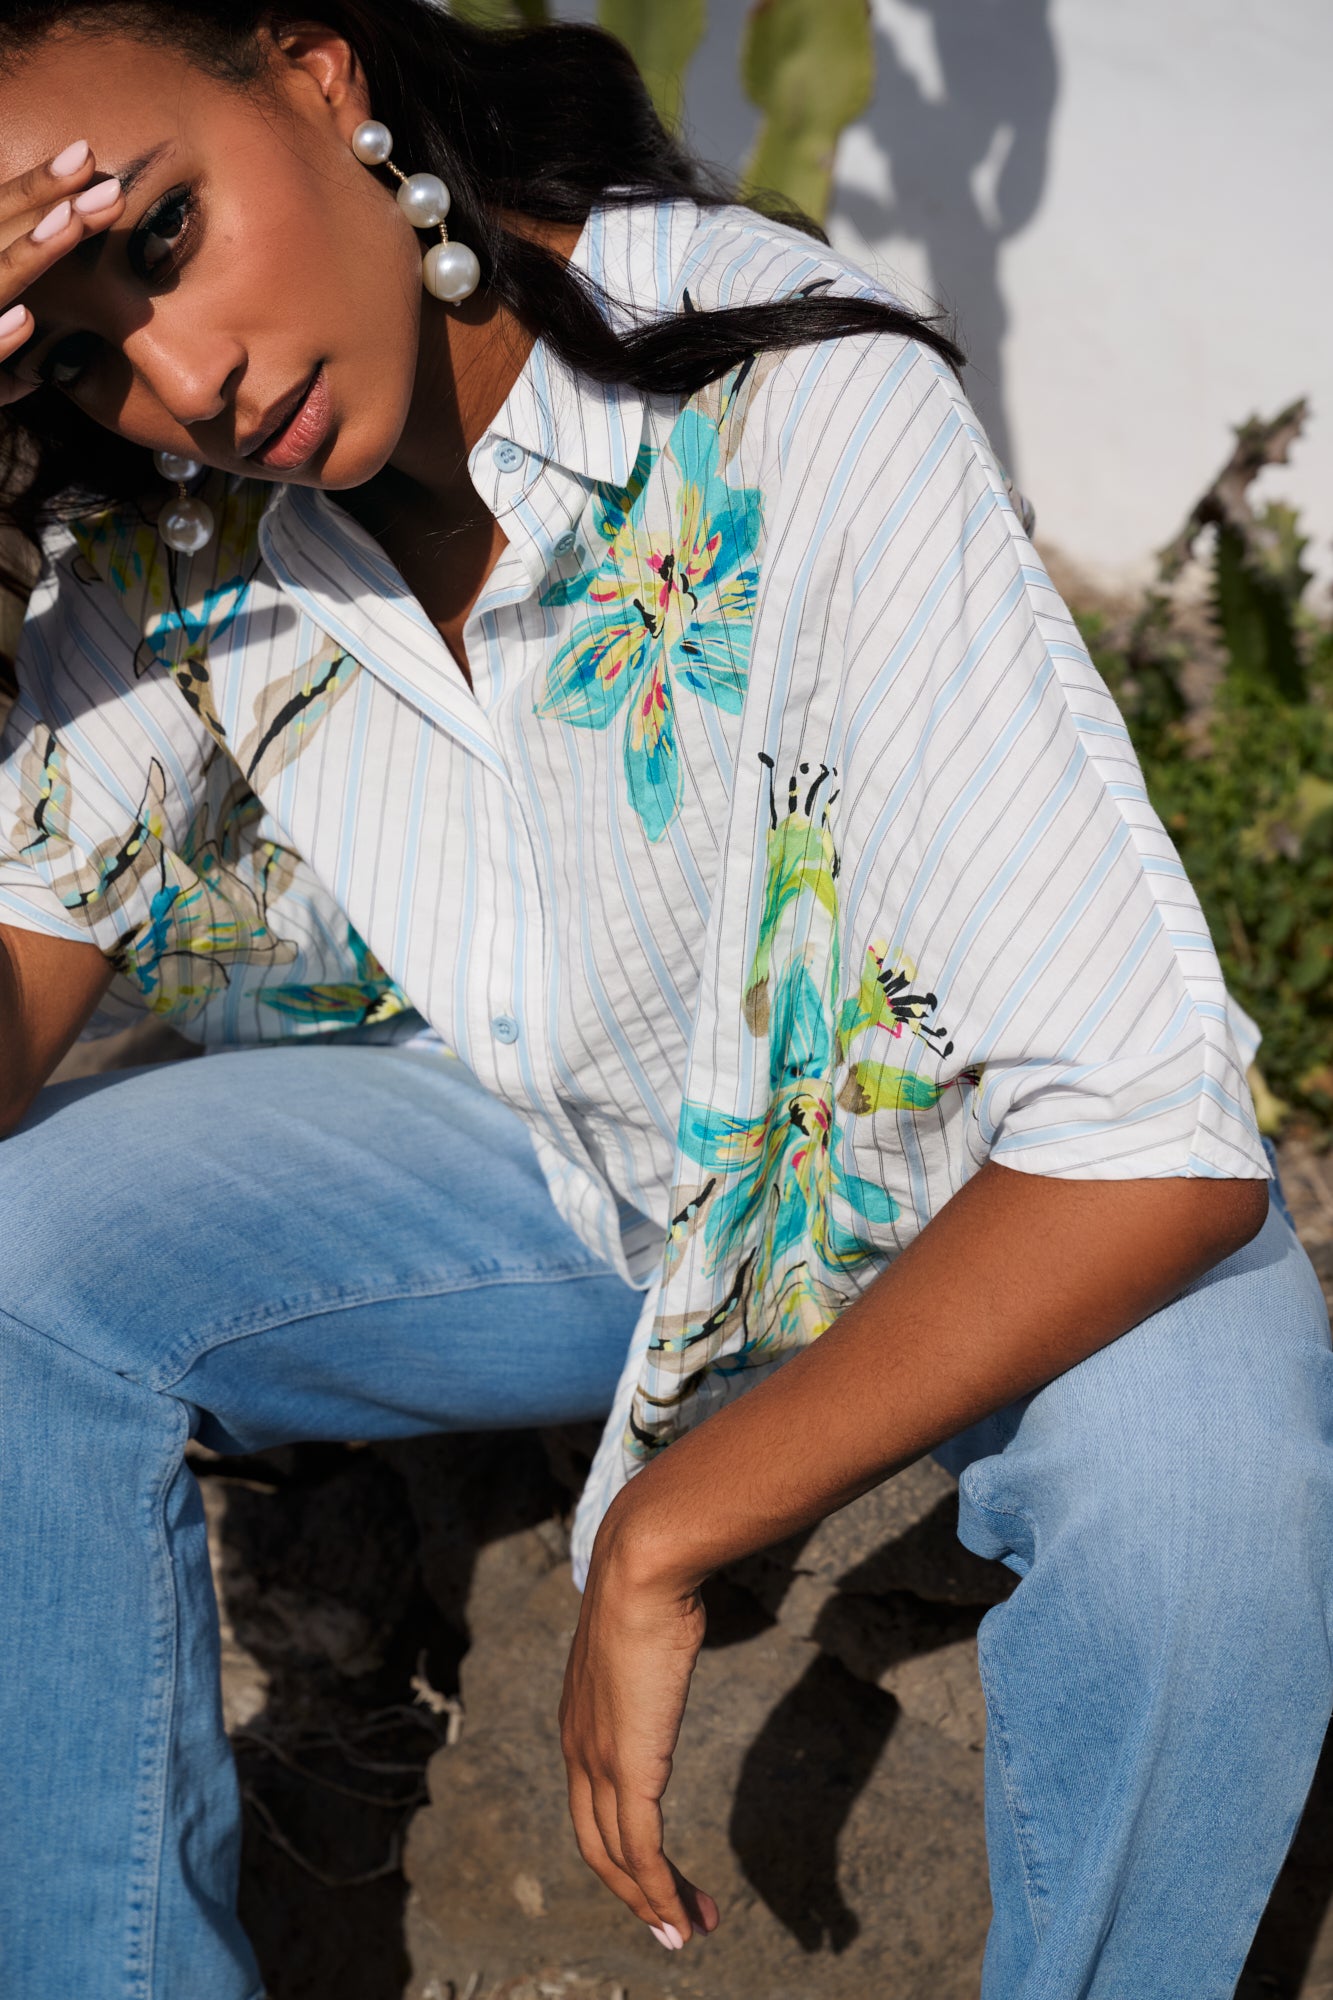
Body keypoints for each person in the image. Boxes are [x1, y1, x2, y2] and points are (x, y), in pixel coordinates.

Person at [0, 5, 1327, 1996]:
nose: (185, 378)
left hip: (985, 1185)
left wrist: (664, 1527)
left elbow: (1148, 1137)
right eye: (82, 346)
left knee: (1206, 1494)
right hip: (578, 1172)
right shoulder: (180, 530)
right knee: (17, 1265)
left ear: (318, 75)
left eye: (165, 234)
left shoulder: (777, 383)